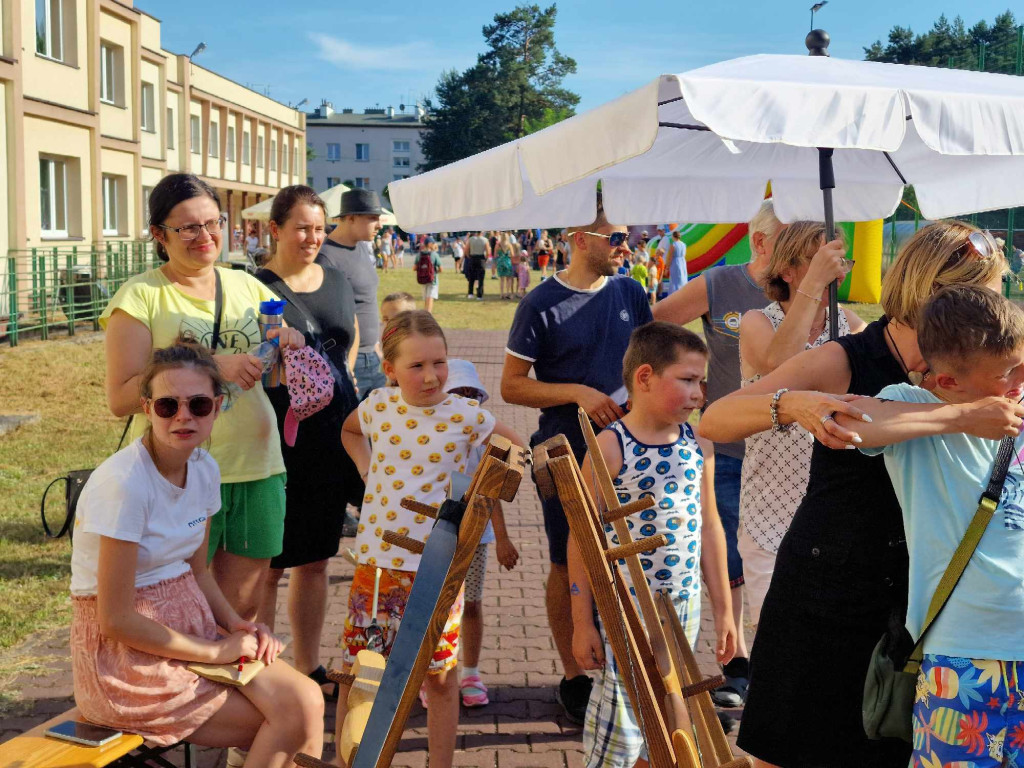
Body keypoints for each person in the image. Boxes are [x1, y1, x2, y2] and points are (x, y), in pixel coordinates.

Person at [698, 221, 1010, 767]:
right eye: (983, 293)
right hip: (825, 603)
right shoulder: (850, 356)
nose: (992, 307)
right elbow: (718, 419)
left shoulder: (980, 367)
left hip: (913, 613)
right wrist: (790, 404)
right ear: (938, 294)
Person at [70, 340, 323, 767]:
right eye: (168, 406)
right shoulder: (124, 484)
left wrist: (236, 623)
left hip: (192, 629)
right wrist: (216, 651)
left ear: (218, 406)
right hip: (124, 660)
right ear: (146, 409)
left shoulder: (205, 468)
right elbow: (115, 619)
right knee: (290, 719)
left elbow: (198, 571)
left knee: (308, 698)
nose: (184, 416)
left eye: (199, 404)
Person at [101, 173, 305, 624]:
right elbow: (120, 396)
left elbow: (273, 371)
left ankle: (221, 689)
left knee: (242, 606)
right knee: (176, 607)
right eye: (188, 227)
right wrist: (214, 366)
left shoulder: (249, 288)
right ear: (159, 234)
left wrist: (287, 350)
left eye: (213, 222)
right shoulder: (139, 297)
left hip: (256, 465)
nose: (205, 236)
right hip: (176, 476)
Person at [840, 286, 1024, 768]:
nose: (1020, 382)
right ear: (949, 380)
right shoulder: (908, 403)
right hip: (963, 657)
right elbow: (853, 422)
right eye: (1007, 374)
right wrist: (965, 417)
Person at [337, 310, 524, 768]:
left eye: (438, 363)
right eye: (416, 366)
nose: (431, 376)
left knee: (439, 676)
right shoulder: (378, 405)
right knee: (359, 672)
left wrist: (482, 493)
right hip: (377, 566)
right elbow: (348, 430)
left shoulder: (464, 415)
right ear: (390, 370)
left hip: (439, 570)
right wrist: (367, 469)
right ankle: (349, 761)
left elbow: (515, 449)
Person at [501, 191, 653, 724]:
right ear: (579, 239)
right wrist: (577, 394)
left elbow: (646, 361)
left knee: (624, 559)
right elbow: (512, 387)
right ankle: (574, 676)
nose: (626, 246)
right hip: (563, 453)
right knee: (568, 563)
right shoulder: (540, 303)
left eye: (628, 237)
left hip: (628, 450)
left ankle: (623, 670)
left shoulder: (632, 292)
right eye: (616, 237)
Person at [570, 322, 736, 768]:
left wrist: (724, 610)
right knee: (621, 729)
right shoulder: (609, 447)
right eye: (686, 380)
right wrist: (581, 620)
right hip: (627, 611)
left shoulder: (698, 443)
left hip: (683, 607)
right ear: (644, 377)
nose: (699, 392)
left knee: (668, 723)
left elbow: (710, 527)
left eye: (701, 381)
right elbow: (581, 538)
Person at [652, 199, 782, 715]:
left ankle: (772, 661)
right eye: (794, 240)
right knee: (729, 560)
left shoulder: (808, 295)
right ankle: (739, 667)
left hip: (786, 456)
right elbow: (658, 327)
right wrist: (690, 380)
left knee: (773, 559)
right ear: (763, 241)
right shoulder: (720, 284)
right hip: (728, 450)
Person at [253, 185, 362, 700]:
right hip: (276, 438)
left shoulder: (337, 280)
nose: (312, 238)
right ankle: (259, 668)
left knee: (316, 560)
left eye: (319, 228)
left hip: (332, 437)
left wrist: (345, 382)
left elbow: (349, 337)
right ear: (275, 230)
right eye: (301, 227)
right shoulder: (254, 288)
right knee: (270, 565)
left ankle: (309, 665)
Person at [737, 222, 863, 630]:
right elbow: (781, 367)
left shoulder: (853, 328)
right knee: (773, 640)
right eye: (818, 261)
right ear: (788, 271)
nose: (834, 269)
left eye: (837, 260)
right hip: (768, 512)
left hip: (831, 511)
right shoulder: (758, 321)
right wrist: (813, 285)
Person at [442, 359, 520, 708]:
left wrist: (502, 538)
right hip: (436, 536)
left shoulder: (482, 443)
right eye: (458, 394)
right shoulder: (430, 438)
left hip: (477, 537)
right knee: (436, 605)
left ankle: (470, 671)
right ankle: (435, 672)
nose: (466, 402)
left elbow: (492, 493)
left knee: (471, 604)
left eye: (472, 396)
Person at [317, 188, 385, 399]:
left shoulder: (363, 247)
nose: (379, 225)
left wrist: (376, 347)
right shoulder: (326, 257)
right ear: (350, 218)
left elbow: (367, 300)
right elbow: (323, 317)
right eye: (373, 218)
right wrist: (345, 366)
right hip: (350, 362)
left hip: (373, 357)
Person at [416, 238, 443, 314]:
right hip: (432, 279)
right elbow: (441, 269)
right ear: (430, 244)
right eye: (433, 243)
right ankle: (428, 314)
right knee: (430, 297)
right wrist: (434, 272)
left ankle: (425, 313)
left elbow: (414, 267)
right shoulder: (434, 254)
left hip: (422, 278)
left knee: (426, 298)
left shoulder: (419, 254)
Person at [465, 231, 490, 300]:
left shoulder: (471, 239)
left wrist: (469, 256)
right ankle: (479, 295)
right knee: (481, 278)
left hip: (473, 257)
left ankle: (470, 293)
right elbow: (488, 251)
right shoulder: (485, 240)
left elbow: (466, 249)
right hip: (481, 258)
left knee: (471, 277)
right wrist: (486, 258)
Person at [664, 229, 689, 295]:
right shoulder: (684, 244)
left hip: (675, 263)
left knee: (675, 280)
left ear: (673, 236)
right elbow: (684, 254)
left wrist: (667, 268)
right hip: (682, 262)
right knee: (682, 278)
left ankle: (675, 295)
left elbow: (670, 257)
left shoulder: (673, 245)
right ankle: (683, 293)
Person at [496, 233, 516, 300]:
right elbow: (512, 254)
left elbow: (495, 254)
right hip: (507, 262)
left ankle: (501, 294)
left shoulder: (498, 245)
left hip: (500, 262)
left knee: (502, 280)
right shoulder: (509, 245)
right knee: (508, 279)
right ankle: (507, 293)